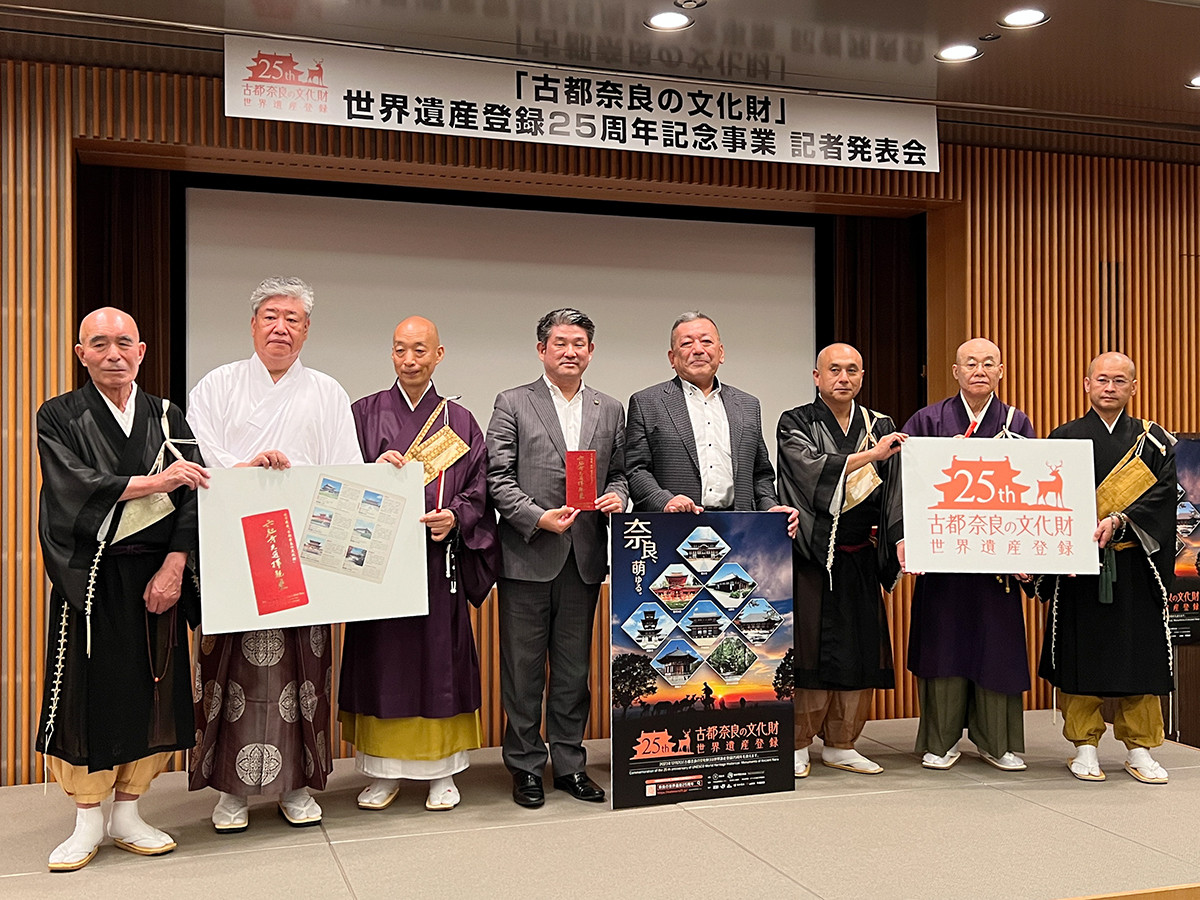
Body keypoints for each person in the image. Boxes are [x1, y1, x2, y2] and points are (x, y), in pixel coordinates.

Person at [36, 307, 209, 871]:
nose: (114, 353)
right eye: (100, 343)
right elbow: (71, 488)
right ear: (80, 353)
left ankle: (131, 810)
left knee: (150, 684)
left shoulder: (165, 413)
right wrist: (154, 481)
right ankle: (88, 816)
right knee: (89, 689)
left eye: (124, 343)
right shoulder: (59, 415)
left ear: (141, 351)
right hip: (90, 576)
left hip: (156, 574)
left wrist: (176, 564)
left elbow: (194, 492)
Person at [187, 276, 362, 831]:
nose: (280, 327)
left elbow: (344, 472)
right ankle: (229, 793)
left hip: (301, 555)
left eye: (292, 318)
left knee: (302, 669)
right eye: (270, 316)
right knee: (228, 669)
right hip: (236, 550)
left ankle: (296, 788)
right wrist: (248, 470)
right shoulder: (217, 385)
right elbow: (197, 458)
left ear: (307, 329)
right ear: (254, 324)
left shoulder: (328, 392)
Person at [338, 316, 500, 812]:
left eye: (420, 350)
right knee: (383, 662)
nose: (410, 359)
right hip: (380, 563)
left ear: (439, 355)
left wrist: (455, 516)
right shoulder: (362, 414)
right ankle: (383, 773)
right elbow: (337, 478)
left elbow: (480, 487)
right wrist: (371, 473)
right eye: (400, 350)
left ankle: (442, 772)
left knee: (439, 661)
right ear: (391, 354)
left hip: (437, 563)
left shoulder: (461, 421)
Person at [486, 308, 628, 808]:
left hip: (585, 558)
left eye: (580, 343)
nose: (571, 351)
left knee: (573, 673)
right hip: (527, 554)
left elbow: (623, 472)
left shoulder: (610, 409)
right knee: (523, 672)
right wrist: (535, 517)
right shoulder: (513, 402)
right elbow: (497, 477)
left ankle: (569, 764)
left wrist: (617, 495)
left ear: (591, 351)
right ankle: (525, 766)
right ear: (542, 349)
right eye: (560, 342)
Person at [1037, 352, 1175, 783]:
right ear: (1086, 384)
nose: (1110, 387)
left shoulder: (1154, 442)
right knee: (1083, 658)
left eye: (1119, 380)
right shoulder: (1063, 437)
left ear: (1134, 387)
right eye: (1102, 379)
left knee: (1140, 658)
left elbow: (1164, 496)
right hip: (1080, 566)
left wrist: (1120, 520)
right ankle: (1084, 746)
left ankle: (1141, 748)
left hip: (1134, 563)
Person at [899, 337, 1036, 771]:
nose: (979, 369)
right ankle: (940, 742)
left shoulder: (1017, 422)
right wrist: (908, 539)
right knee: (944, 647)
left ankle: (997, 742)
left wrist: (1031, 553)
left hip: (997, 560)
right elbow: (905, 487)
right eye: (970, 363)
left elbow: (1031, 490)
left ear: (1001, 371)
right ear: (955, 372)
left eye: (988, 363)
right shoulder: (927, 419)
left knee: (995, 647)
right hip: (944, 560)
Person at [777, 343, 906, 778]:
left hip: (860, 556)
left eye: (852, 370)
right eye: (834, 370)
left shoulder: (879, 424)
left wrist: (899, 540)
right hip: (813, 554)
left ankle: (842, 742)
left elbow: (895, 492)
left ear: (862, 377)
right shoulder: (795, 422)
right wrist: (871, 455)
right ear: (816, 376)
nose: (843, 378)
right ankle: (796, 742)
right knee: (808, 651)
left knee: (857, 648)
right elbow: (807, 470)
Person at [625, 311, 798, 536]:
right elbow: (635, 469)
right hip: (671, 528)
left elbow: (760, 474)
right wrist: (666, 501)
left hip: (738, 530)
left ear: (721, 352)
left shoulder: (747, 405)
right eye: (687, 343)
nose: (698, 349)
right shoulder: (647, 402)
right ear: (672, 358)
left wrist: (771, 508)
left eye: (706, 341)